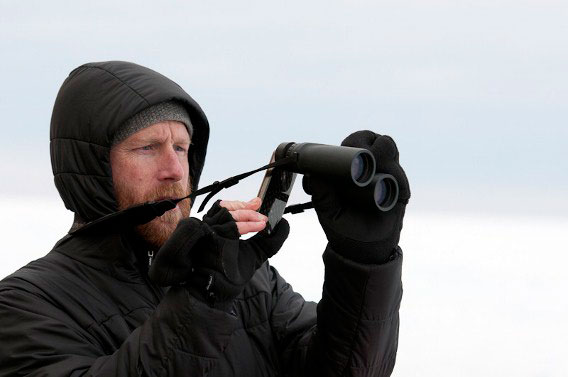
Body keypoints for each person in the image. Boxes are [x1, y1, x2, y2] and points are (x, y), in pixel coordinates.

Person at [0, 61, 410, 377]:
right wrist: (203, 300)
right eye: (147, 148)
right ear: (92, 169)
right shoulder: (27, 306)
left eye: (181, 148)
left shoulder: (248, 281)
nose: (174, 170)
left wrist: (363, 261)